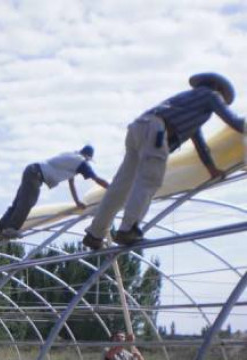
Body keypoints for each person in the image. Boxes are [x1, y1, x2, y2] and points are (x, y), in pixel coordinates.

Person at [83, 72, 246, 250]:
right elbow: (235, 122)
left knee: (121, 187)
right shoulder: (210, 95)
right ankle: (127, 230)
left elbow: (200, 144)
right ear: (217, 88)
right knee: (149, 180)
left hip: (138, 128)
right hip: (157, 131)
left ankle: (94, 234)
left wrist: (212, 169)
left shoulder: (187, 105)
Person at [0, 145, 109, 240]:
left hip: (32, 170)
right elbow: (96, 178)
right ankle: (11, 229)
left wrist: (77, 201)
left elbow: (71, 182)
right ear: (88, 157)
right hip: (36, 174)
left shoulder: (72, 157)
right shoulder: (81, 162)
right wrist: (111, 188)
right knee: (26, 203)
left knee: (18, 204)